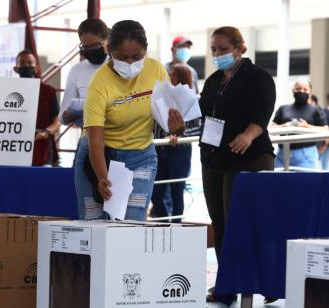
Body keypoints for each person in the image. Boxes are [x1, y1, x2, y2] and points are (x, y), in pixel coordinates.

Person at [183, 26, 276, 303]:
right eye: (213, 49)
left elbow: (263, 112)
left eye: (222, 49)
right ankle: (227, 283)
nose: (217, 54)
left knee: (246, 222)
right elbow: (200, 115)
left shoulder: (257, 77)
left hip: (249, 156)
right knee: (220, 222)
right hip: (214, 157)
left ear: (239, 48)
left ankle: (269, 282)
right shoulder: (213, 81)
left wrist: (248, 134)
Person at [84, 20, 183, 221]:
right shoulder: (98, 83)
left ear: (146, 50)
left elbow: (166, 119)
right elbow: (95, 140)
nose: (130, 63)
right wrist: (103, 177)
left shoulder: (156, 70)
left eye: (137, 57)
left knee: (131, 223)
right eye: (122, 57)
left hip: (142, 156)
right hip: (103, 155)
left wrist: (175, 128)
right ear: (109, 50)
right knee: (95, 224)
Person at [62, 18, 110, 219]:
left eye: (96, 45)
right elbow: (63, 115)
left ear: (107, 40)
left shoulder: (120, 65)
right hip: (88, 142)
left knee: (116, 210)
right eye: (85, 46)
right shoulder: (77, 70)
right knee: (89, 210)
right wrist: (77, 112)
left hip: (118, 144)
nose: (90, 50)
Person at [151, 64, 201, 222]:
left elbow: (199, 128)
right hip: (159, 149)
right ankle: (166, 224)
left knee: (177, 192)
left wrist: (181, 135)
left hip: (180, 151)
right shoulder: (159, 96)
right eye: (169, 74)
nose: (169, 77)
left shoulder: (192, 100)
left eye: (173, 75)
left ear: (182, 78)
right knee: (156, 194)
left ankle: (176, 226)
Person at [14, 50, 61, 166]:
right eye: (22, 63)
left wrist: (46, 132)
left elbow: (57, 121)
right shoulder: (9, 90)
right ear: (16, 68)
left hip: (42, 147)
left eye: (30, 63)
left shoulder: (48, 91)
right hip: (14, 147)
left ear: (37, 68)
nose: (26, 66)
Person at [271, 80, 329, 169]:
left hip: (306, 154)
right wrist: (285, 126)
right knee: (279, 182)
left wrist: (307, 127)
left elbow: (325, 130)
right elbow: (272, 127)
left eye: (305, 89)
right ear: (293, 90)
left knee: (304, 182)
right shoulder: (283, 108)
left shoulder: (316, 110)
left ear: (310, 92)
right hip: (282, 153)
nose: (301, 91)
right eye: (298, 89)